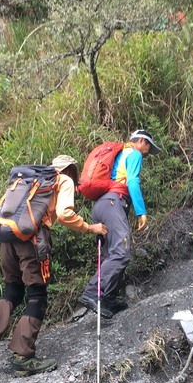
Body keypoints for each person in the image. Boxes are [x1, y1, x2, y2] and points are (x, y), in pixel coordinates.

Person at [0, 155, 107, 375]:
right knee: (37, 295)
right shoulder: (63, 180)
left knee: (12, 291)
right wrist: (90, 228)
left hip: (6, 238)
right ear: (70, 170)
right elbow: (64, 214)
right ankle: (23, 357)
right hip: (31, 240)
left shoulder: (27, 181)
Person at [78, 129, 161, 319]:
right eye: (148, 146)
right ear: (141, 141)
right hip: (114, 202)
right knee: (122, 252)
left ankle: (108, 298)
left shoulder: (120, 154)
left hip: (101, 206)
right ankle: (93, 291)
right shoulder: (134, 153)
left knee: (112, 253)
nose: (148, 152)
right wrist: (141, 211)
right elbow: (132, 180)